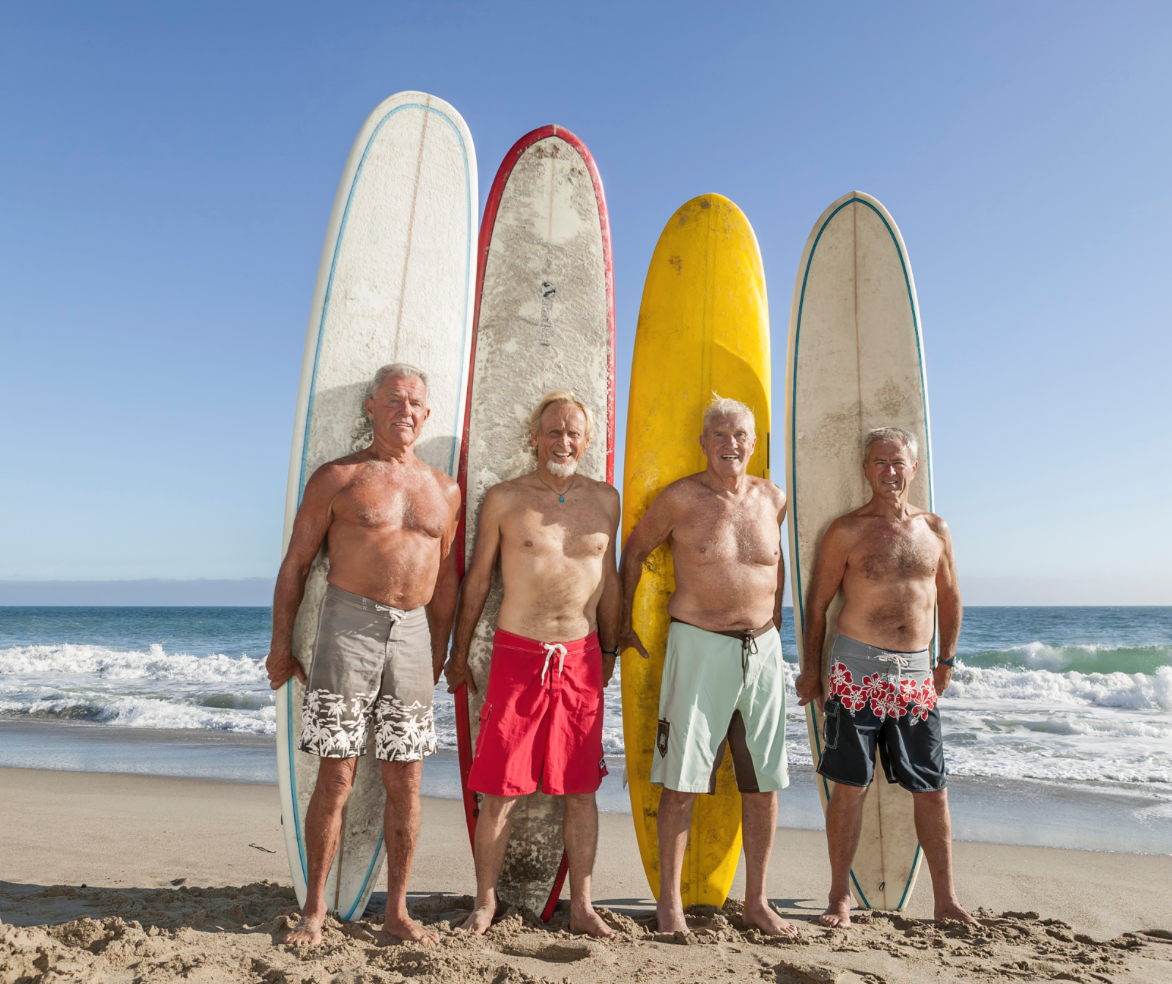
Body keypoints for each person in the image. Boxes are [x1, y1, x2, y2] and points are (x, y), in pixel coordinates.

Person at [265, 363, 461, 946]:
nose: (405, 410)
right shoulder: (338, 477)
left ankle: (397, 913)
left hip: (413, 634)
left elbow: (447, 581)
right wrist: (280, 646)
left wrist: (439, 653)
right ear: (371, 407)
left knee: (407, 777)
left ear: (427, 415)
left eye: (415, 403)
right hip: (347, 626)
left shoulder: (445, 490)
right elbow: (296, 565)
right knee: (337, 772)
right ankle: (314, 910)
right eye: (393, 399)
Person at [618, 397, 797, 938]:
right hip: (698, 648)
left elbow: (777, 564)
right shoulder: (681, 499)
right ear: (703, 443)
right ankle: (669, 906)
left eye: (740, 435)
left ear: (754, 442)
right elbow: (634, 552)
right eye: (719, 434)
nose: (730, 444)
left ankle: (757, 901)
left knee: (764, 783)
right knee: (682, 781)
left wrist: (776, 623)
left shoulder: (774, 498)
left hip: (762, 651)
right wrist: (622, 624)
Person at [445, 390, 620, 938]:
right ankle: (484, 903)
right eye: (553, 431)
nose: (563, 441)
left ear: (585, 441)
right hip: (518, 655)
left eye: (573, 433)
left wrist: (610, 650)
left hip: (581, 656)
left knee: (581, 789)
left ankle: (583, 905)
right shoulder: (505, 498)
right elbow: (478, 580)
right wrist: (457, 652)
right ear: (535, 437)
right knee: (500, 789)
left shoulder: (606, 500)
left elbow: (610, 579)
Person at [795, 426, 974, 928]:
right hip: (855, 673)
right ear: (865, 469)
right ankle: (838, 897)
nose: (889, 471)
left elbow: (950, 597)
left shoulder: (935, 529)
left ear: (913, 468)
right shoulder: (846, 531)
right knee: (850, 787)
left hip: (916, 674)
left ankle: (946, 900)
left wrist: (946, 661)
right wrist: (812, 670)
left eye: (898, 462)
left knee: (932, 788)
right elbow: (817, 604)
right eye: (879, 462)